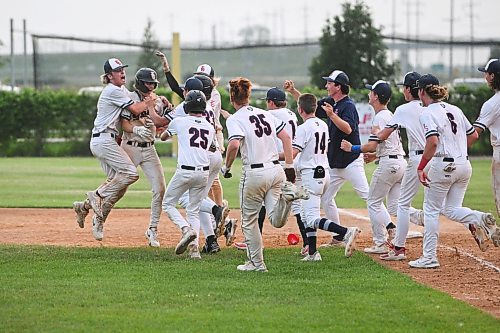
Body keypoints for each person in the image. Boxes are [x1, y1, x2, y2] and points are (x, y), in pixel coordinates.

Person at [411, 74, 499, 268]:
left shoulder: (426, 112)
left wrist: (420, 166)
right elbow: (474, 134)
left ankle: (429, 257)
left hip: (443, 165)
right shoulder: (455, 109)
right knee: (451, 209)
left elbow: (433, 142)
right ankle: (480, 218)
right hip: (463, 165)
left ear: (421, 91)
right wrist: (458, 149)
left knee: (431, 210)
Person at [222, 77, 309, 272]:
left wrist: (226, 167)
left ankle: (257, 264)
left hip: (254, 173)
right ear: (249, 96)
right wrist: (288, 166)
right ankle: (287, 199)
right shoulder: (265, 114)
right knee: (277, 220)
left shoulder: (235, 119)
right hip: (276, 170)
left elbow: (234, 144)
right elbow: (286, 137)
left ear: (232, 96)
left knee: (249, 221)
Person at [73, 58, 156, 241]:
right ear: (109, 76)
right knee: (130, 174)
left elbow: (136, 100)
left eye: (123, 69)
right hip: (104, 140)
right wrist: (151, 102)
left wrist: (155, 100)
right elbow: (135, 108)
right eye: (118, 70)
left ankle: (84, 207)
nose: (122, 72)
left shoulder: (120, 90)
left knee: (118, 184)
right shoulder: (112, 90)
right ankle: (96, 195)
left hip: (106, 140)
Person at [291, 93, 361, 261]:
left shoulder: (304, 128)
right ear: (315, 108)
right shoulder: (322, 124)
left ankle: (345, 232)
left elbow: (293, 152)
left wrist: (273, 156)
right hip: (324, 172)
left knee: (312, 217)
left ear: (300, 109)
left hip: (311, 175)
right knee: (307, 213)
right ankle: (313, 253)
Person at [340, 80, 406, 254]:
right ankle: (399, 231)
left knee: (373, 202)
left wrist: (352, 148)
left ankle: (380, 243)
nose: (369, 94)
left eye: (371, 92)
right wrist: (376, 155)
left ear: (376, 96)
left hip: (390, 164)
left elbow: (370, 145)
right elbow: (388, 144)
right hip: (400, 162)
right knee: (394, 206)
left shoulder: (379, 117)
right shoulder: (389, 114)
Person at [374, 72, 427, 260]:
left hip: (418, 159)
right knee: (443, 207)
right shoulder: (431, 107)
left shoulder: (403, 109)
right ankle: (473, 218)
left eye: (404, 87)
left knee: (401, 205)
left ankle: (398, 248)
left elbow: (382, 135)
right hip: (436, 158)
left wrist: (357, 147)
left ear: (408, 89)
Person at [160, 90, 215, 258]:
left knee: (168, 204)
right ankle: (194, 250)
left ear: (187, 105)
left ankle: (185, 229)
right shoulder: (209, 126)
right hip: (203, 173)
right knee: (193, 209)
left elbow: (163, 137)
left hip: (185, 171)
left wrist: (166, 115)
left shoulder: (179, 121)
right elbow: (211, 147)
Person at [120, 67, 170, 247]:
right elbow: (124, 124)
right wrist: (135, 128)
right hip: (130, 146)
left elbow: (161, 124)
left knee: (160, 188)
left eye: (153, 83)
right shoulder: (130, 99)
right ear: (140, 82)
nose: (151, 86)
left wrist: (166, 111)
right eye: (148, 82)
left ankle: (152, 229)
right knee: (119, 185)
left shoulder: (157, 100)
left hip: (149, 148)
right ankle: (99, 213)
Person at [472, 59, 500, 248]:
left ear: (493, 76)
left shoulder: (492, 103)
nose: (485, 77)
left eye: (487, 74)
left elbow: (475, 133)